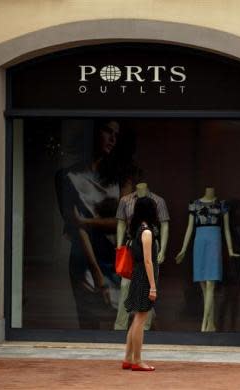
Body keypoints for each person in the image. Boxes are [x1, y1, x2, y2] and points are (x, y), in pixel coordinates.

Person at [55, 120, 134, 329]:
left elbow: (123, 223)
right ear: (93, 134)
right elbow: (76, 228)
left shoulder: (122, 178)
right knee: (89, 325)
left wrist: (87, 221)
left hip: (117, 258)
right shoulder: (67, 177)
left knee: (130, 320)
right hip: (85, 260)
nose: (113, 138)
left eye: (116, 134)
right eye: (108, 131)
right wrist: (97, 274)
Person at [175, 187, 240, 332]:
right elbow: (189, 228)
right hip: (200, 242)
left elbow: (227, 229)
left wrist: (230, 250)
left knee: (210, 284)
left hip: (214, 242)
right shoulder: (195, 204)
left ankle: (203, 325)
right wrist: (183, 249)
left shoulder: (221, 204)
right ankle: (211, 325)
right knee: (204, 287)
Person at [122, 196, 160, 371]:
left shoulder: (137, 229)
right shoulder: (146, 232)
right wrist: (153, 285)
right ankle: (137, 360)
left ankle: (128, 358)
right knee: (140, 319)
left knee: (136, 318)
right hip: (143, 277)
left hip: (137, 276)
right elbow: (148, 261)